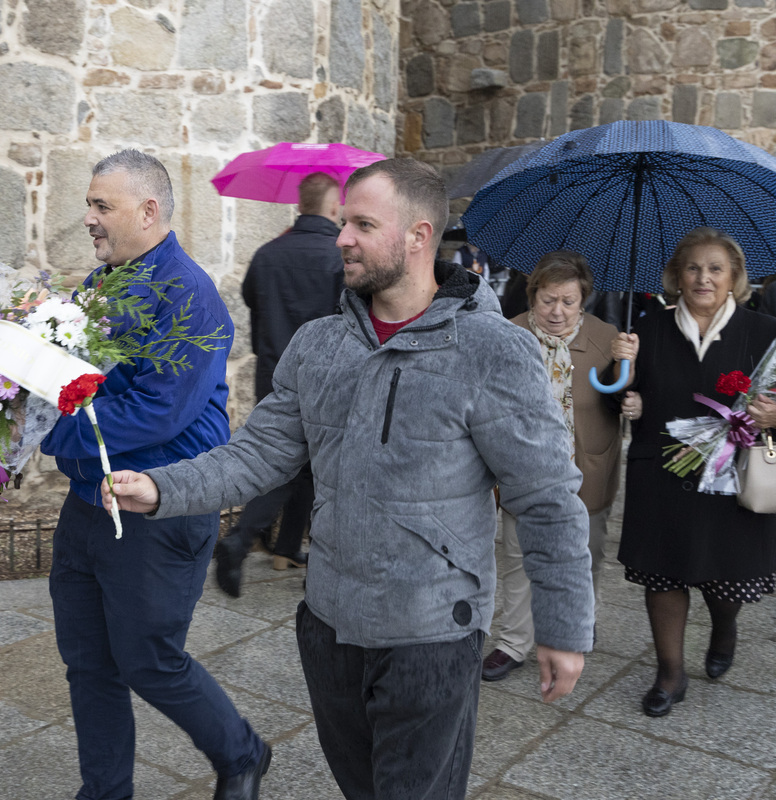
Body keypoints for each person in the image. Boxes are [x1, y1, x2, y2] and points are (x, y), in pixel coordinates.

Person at [104, 158, 594, 800]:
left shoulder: (494, 351)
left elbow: (547, 496)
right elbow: (255, 455)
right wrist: (163, 489)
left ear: (419, 237)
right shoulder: (319, 345)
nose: (342, 238)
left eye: (363, 224)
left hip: (432, 635)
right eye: (342, 222)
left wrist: (563, 627)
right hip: (330, 626)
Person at [38, 150, 271, 800]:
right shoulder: (99, 284)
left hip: (157, 511)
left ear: (149, 210)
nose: (87, 217)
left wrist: (46, 429)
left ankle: (242, 752)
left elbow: (154, 412)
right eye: (88, 203)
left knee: (150, 661)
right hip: (89, 503)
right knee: (88, 664)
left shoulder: (190, 297)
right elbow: (64, 377)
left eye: (100, 205)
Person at [617, 227, 776, 717]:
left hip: (732, 482)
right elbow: (615, 396)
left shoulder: (765, 333)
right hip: (662, 475)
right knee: (663, 575)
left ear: (734, 279)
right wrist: (624, 388)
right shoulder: (645, 329)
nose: (702, 277)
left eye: (715, 269)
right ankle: (670, 674)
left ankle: (724, 629)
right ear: (676, 277)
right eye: (692, 268)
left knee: (723, 579)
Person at [481, 251, 637, 681]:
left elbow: (624, 398)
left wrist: (630, 367)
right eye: (548, 300)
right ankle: (514, 642)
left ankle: (575, 627)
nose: (557, 312)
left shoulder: (609, 337)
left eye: (568, 301)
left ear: (583, 299)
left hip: (587, 468)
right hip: (523, 471)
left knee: (586, 554)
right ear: (532, 296)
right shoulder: (506, 335)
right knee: (517, 556)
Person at [215, 172, 344, 596]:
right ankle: (240, 537)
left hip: (272, 373)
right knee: (293, 465)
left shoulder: (268, 253)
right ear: (331, 207)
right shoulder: (337, 256)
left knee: (300, 464)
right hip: (323, 378)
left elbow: (252, 298)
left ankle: (288, 546)